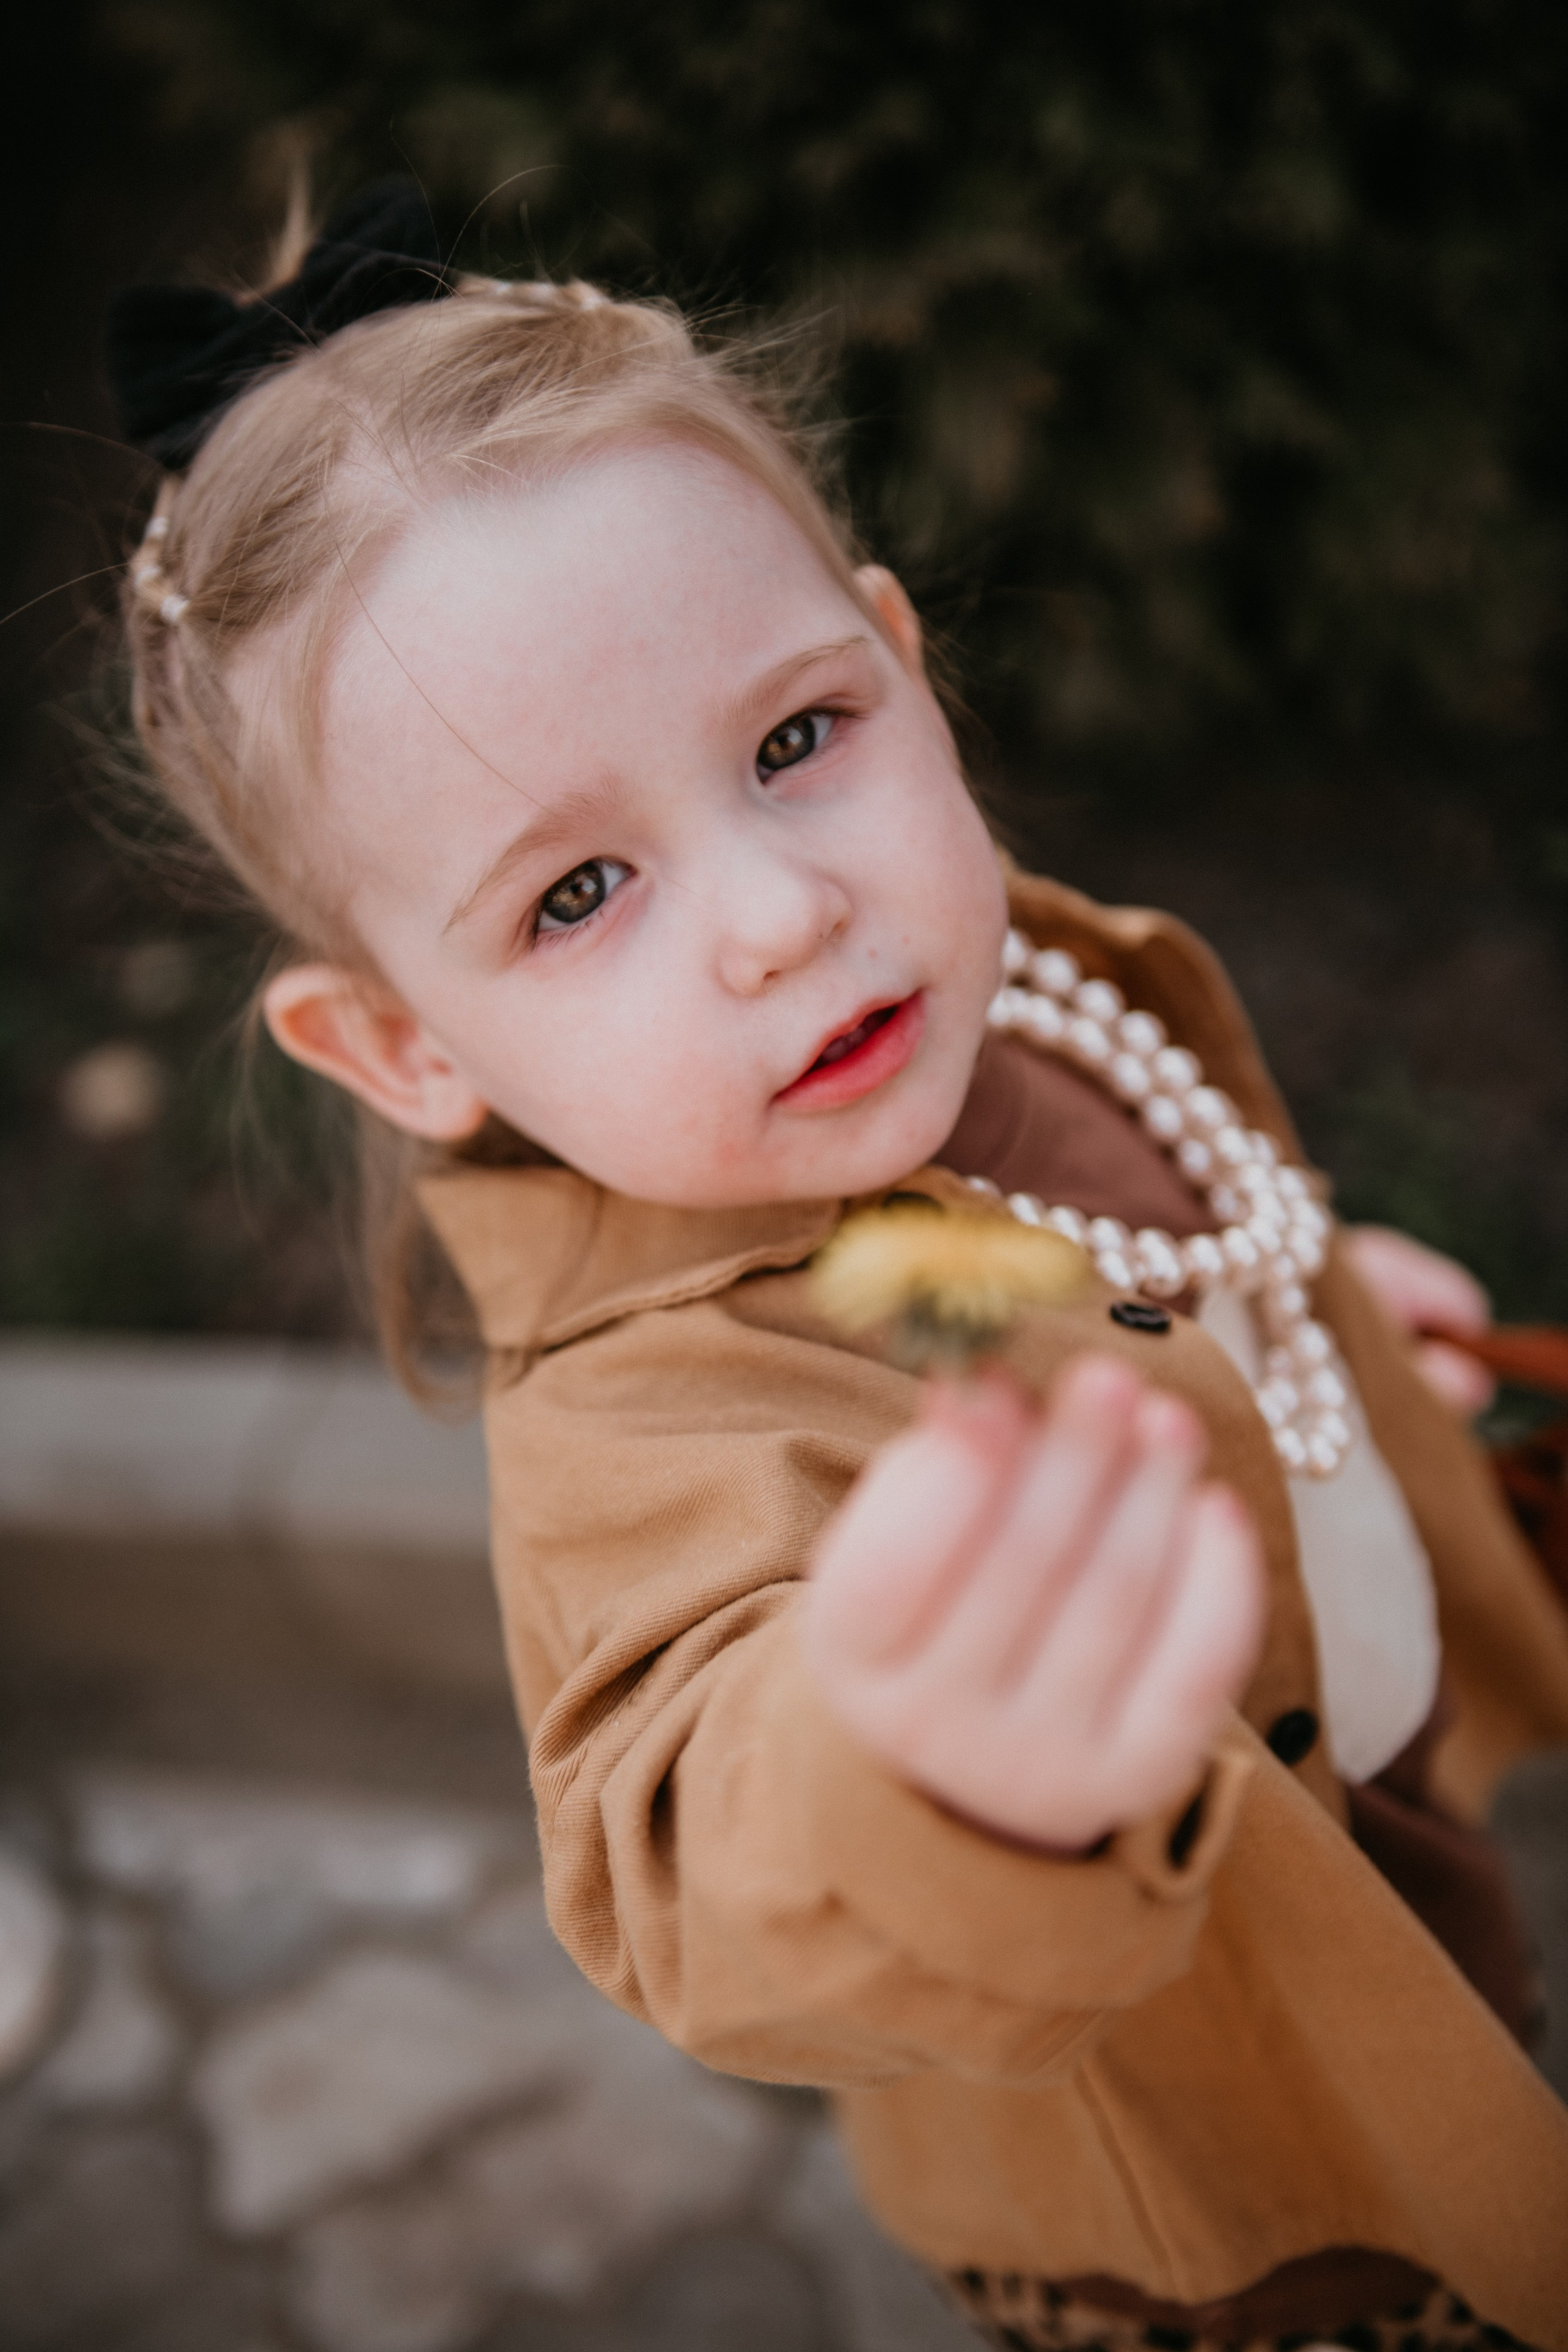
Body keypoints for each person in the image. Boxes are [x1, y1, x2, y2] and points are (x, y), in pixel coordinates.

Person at [109, 183, 1568, 2351]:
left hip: (1391, 1837)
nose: (779, 912)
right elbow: (704, 1833)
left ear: (901, 661)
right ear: (406, 1048)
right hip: (1258, 2217)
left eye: (798, 741)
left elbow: (1137, 1239)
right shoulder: (659, 1420)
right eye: (577, 893)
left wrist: (1312, 1288)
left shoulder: (1028, 987)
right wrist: (914, 1766)